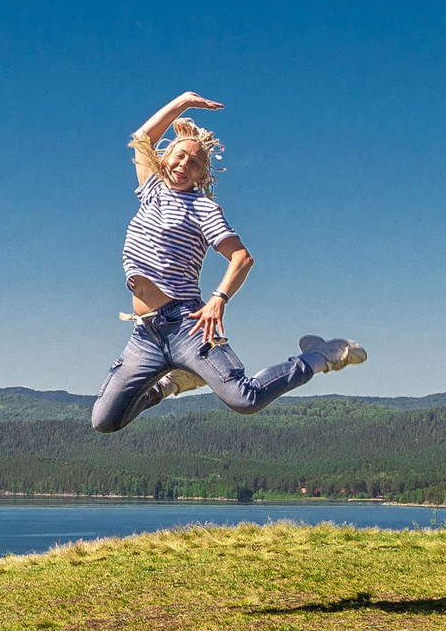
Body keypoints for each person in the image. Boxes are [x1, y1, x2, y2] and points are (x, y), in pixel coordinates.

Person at [88, 89, 365, 434]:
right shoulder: (151, 189)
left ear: (202, 173)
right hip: (146, 333)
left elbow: (241, 257)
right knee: (105, 421)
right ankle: (172, 383)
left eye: (194, 163)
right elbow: (142, 138)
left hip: (186, 323)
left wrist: (218, 299)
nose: (183, 165)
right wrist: (183, 103)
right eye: (179, 156)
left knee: (244, 399)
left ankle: (321, 356)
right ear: (165, 158)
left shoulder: (203, 208)